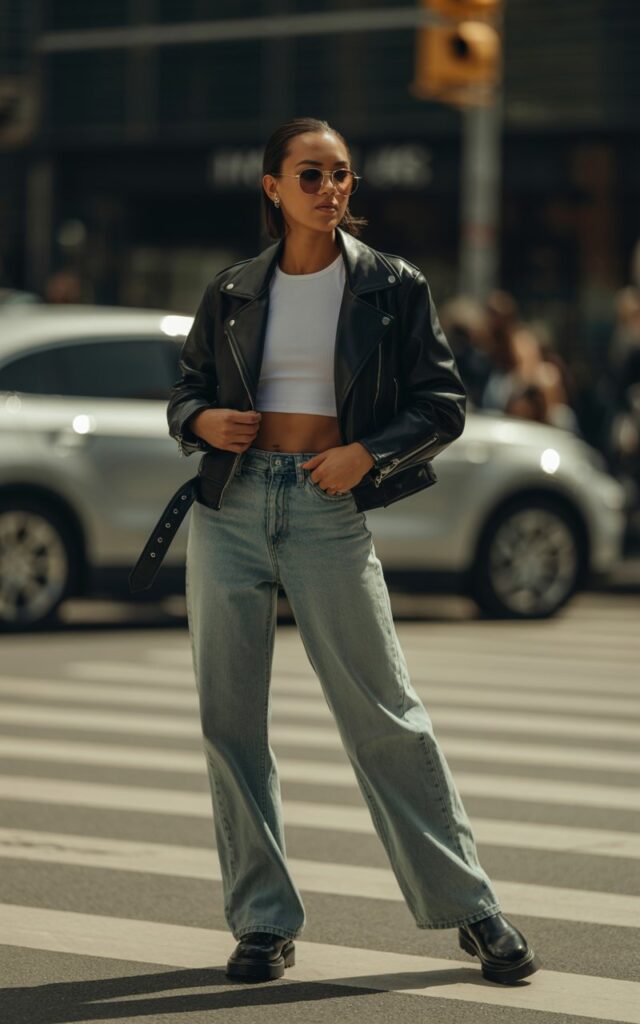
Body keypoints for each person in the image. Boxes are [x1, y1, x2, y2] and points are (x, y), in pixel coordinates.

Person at [161, 117, 541, 986]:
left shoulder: (392, 286)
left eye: (340, 175)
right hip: (231, 508)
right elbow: (185, 391)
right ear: (272, 187)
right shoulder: (233, 289)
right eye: (311, 175)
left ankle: (471, 907)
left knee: (385, 713)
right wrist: (202, 421)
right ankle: (263, 922)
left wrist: (367, 454)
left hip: (329, 506)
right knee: (230, 723)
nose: (329, 189)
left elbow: (442, 404)